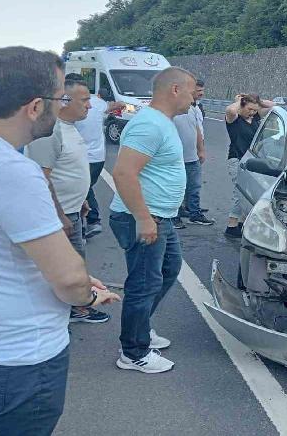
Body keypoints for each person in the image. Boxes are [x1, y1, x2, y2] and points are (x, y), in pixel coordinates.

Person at [0, 46, 119, 435]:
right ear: (35, 107)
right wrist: (86, 295)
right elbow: (68, 278)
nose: (62, 105)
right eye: (59, 98)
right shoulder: (10, 170)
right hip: (16, 361)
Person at [109, 66, 197, 373]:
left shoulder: (163, 121)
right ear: (175, 90)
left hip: (161, 216)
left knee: (168, 270)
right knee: (144, 283)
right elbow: (123, 172)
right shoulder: (149, 124)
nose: (194, 96)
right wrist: (144, 219)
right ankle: (133, 352)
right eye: (191, 90)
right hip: (146, 217)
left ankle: (140, 329)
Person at [26, 77, 111, 324]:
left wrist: (82, 198)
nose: (90, 106)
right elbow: (40, 179)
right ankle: (63, 314)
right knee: (63, 270)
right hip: (57, 216)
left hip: (71, 210)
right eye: (84, 100)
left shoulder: (68, 127)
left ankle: (74, 308)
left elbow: (69, 170)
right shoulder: (49, 132)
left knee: (73, 266)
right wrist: (60, 215)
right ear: (63, 100)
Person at [72, 73, 125, 238]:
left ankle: (87, 224)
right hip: (98, 158)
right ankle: (91, 222)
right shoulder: (97, 102)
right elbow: (119, 104)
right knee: (86, 188)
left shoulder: (69, 106)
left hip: (81, 158)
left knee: (79, 190)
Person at [223, 93, 274, 240]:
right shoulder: (234, 119)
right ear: (242, 106)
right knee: (239, 192)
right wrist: (238, 100)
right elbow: (231, 110)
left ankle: (240, 223)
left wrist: (258, 102)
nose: (252, 112)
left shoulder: (255, 118)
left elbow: (273, 106)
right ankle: (231, 225)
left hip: (250, 160)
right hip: (237, 159)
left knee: (248, 192)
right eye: (249, 109)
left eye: (254, 110)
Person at [172, 78, 214, 228]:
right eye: (198, 91)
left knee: (194, 186)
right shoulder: (172, 109)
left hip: (192, 155)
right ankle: (174, 215)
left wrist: (201, 149)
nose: (201, 94)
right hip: (176, 157)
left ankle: (194, 213)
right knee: (177, 187)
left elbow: (197, 129)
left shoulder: (194, 108)